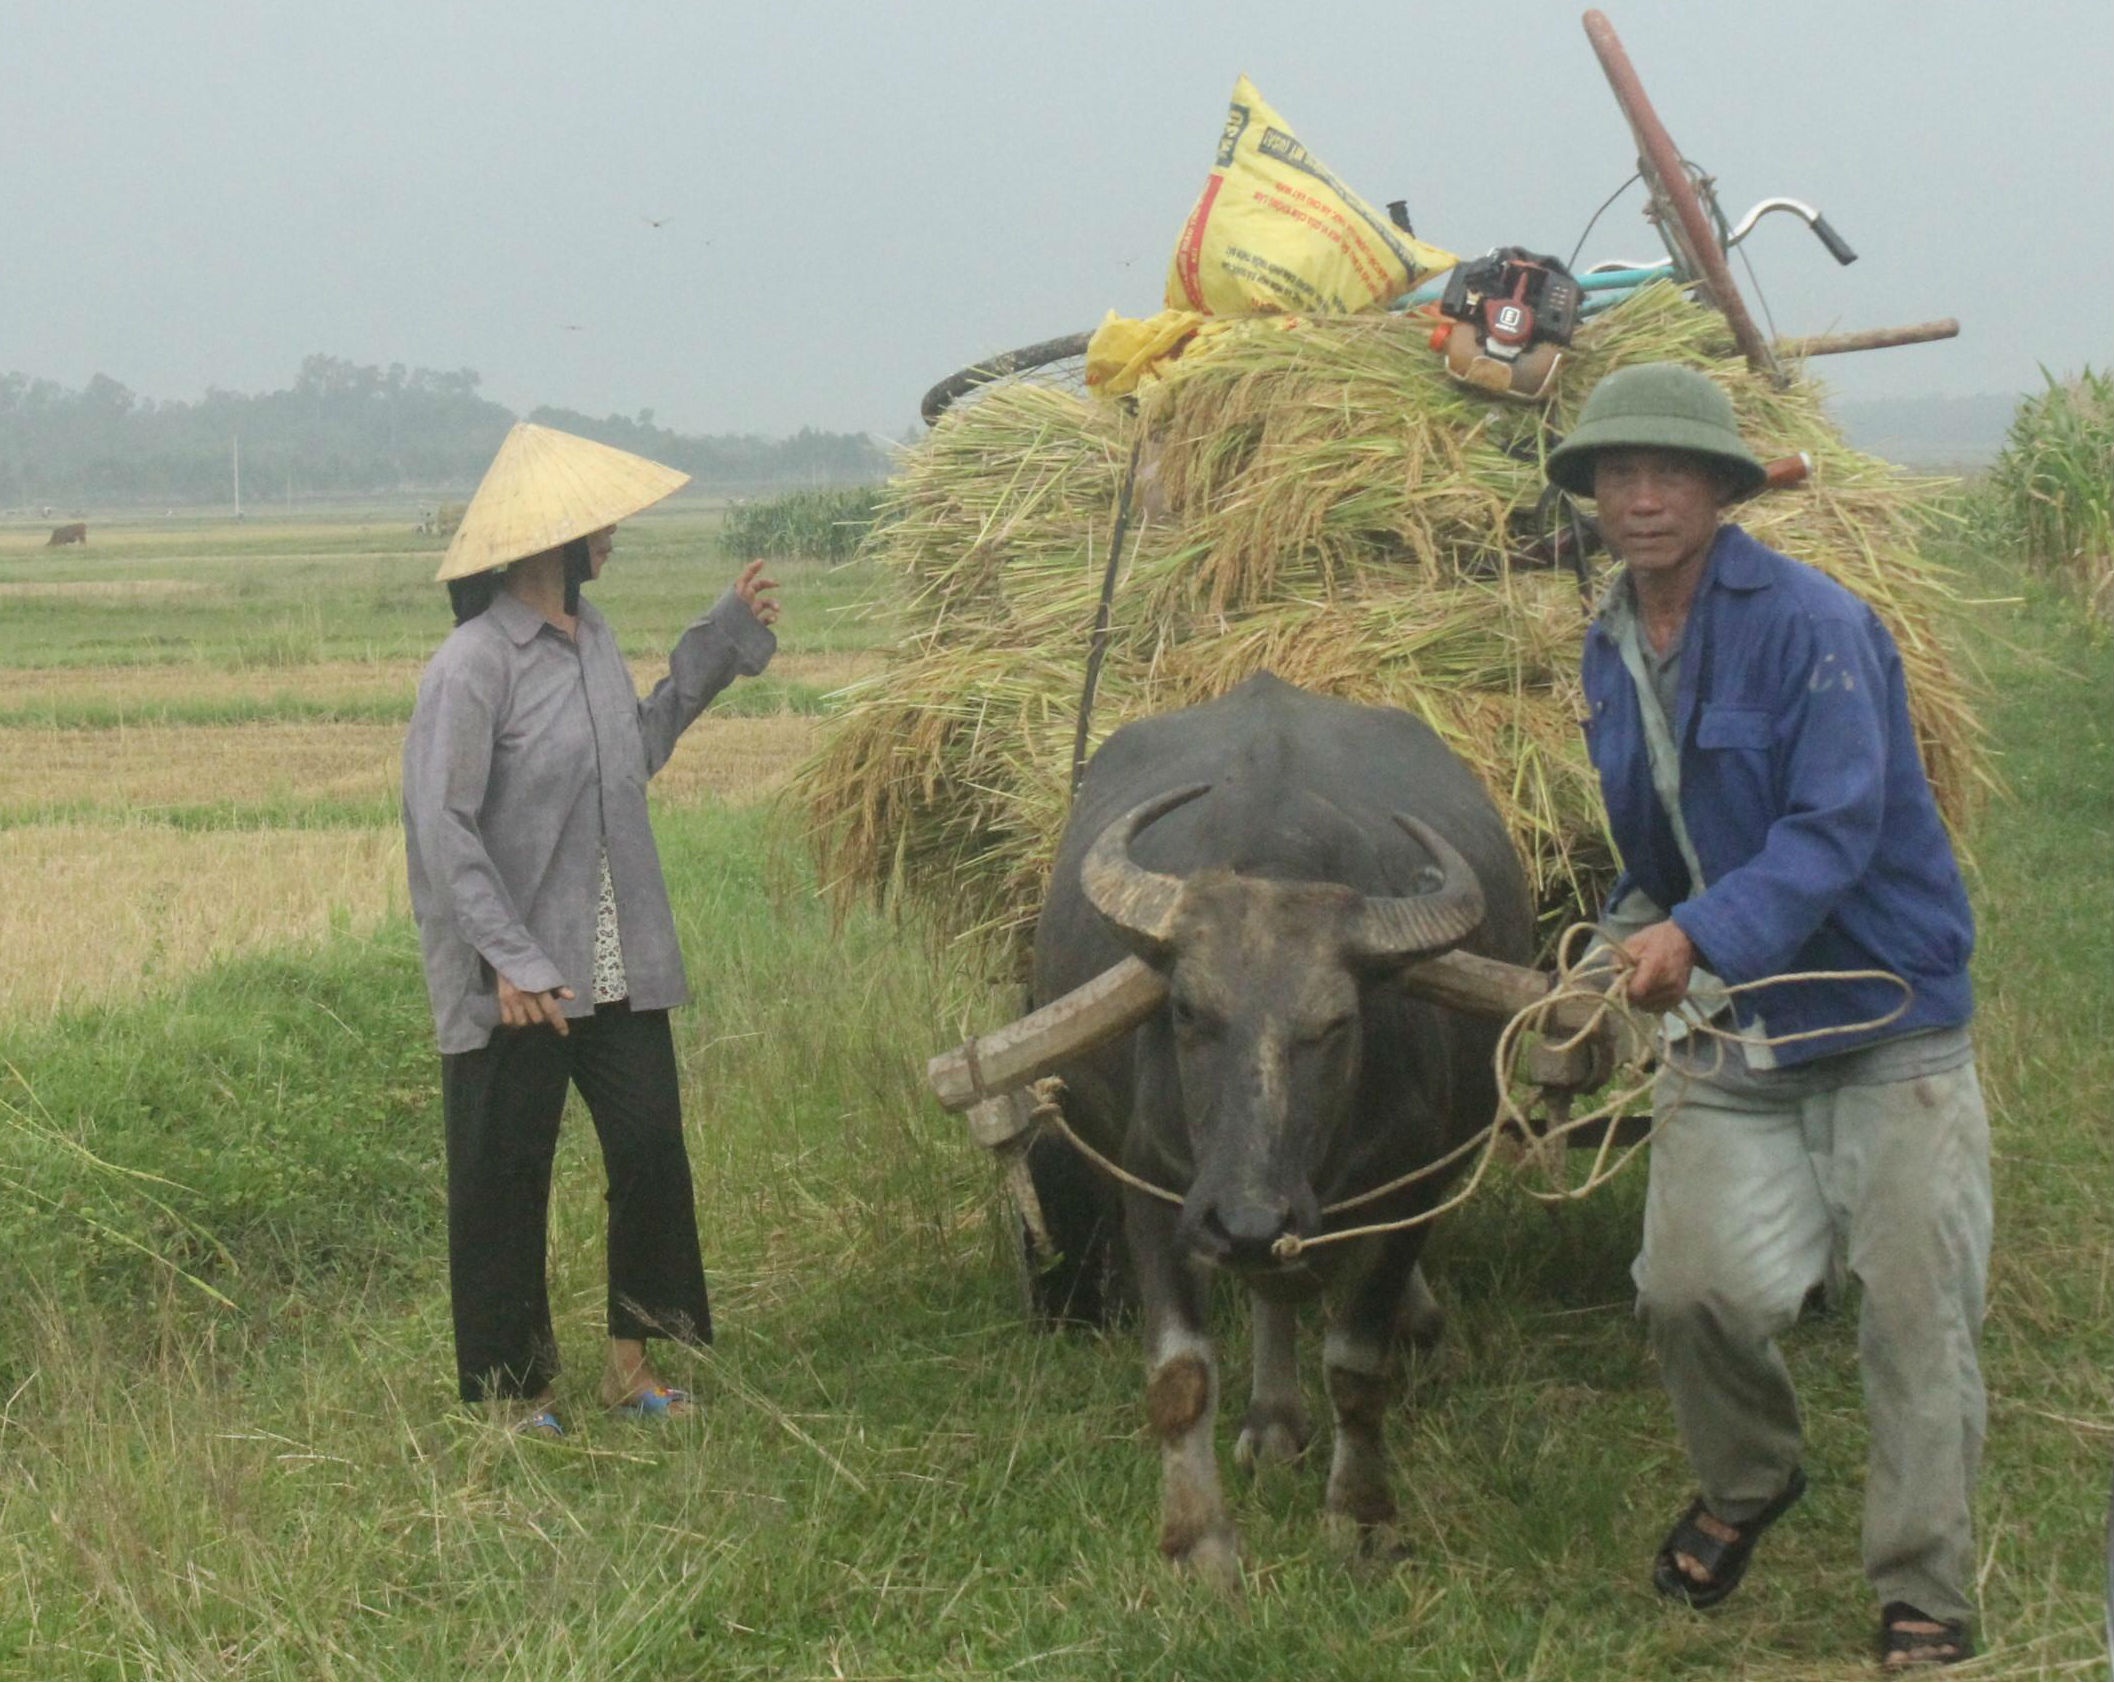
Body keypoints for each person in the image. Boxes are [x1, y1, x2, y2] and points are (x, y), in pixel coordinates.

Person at [1546, 364, 1990, 1670]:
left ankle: (1921, 1584)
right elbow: (1657, 847)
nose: (1639, 498)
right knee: (1687, 1291)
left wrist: (1694, 938)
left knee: (1912, 1316)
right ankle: (1748, 1477)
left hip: (1881, 1013)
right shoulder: (1608, 646)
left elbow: (1831, 830)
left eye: (1667, 473)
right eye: (1616, 475)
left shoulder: (1814, 626)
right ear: (1591, 497)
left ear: (1720, 491)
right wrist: (1612, 945)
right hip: (1736, 1027)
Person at [402, 422, 780, 1436]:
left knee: (650, 1151)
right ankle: (512, 1395)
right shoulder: (472, 666)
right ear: (547, 540)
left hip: (617, 964)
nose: (611, 535)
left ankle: (630, 1368)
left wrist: (719, 641)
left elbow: (634, 749)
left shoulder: (595, 638)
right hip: (517, 980)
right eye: (598, 523)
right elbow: (444, 828)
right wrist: (508, 960)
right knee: (504, 1179)